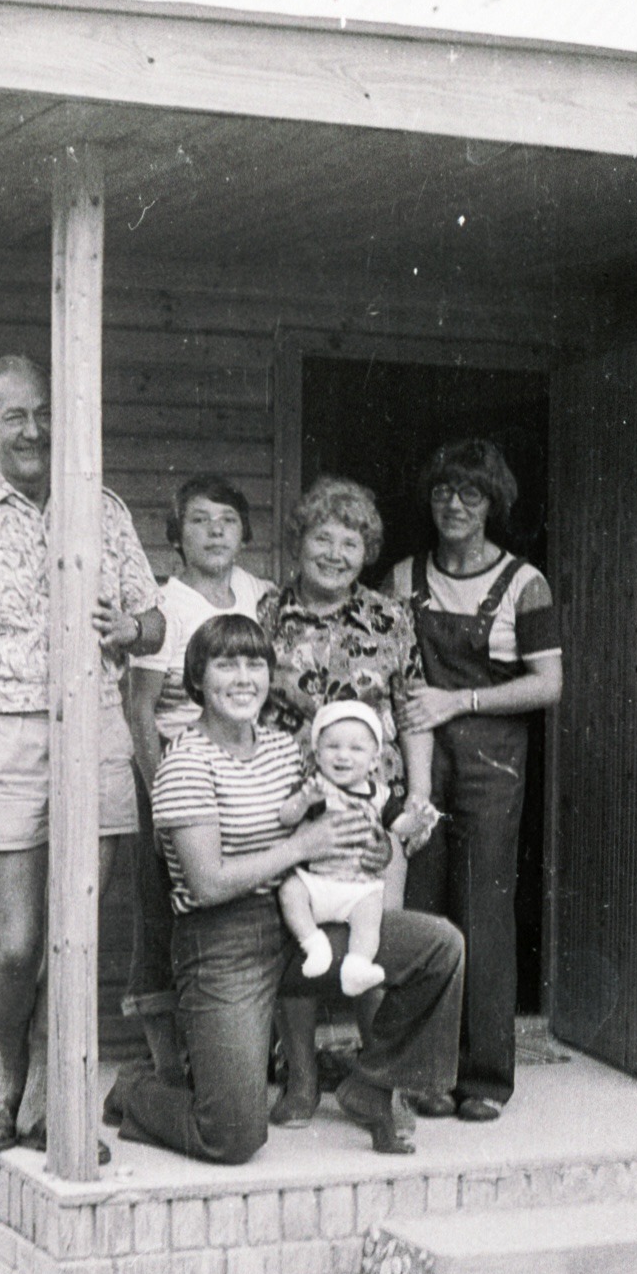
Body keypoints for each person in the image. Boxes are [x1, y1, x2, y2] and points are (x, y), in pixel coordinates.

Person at [0, 354, 164, 1156]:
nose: (33, 429)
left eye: (42, 412)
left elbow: (152, 624)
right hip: (6, 732)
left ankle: (58, 1106)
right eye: (15, 416)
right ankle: (9, 1080)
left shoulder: (101, 508)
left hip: (94, 727)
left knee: (80, 933)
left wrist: (129, 630)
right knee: (19, 940)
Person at [114, 614, 464, 1163]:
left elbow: (335, 811)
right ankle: (135, 1092)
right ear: (197, 679)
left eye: (255, 663)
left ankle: (372, 1086)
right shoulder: (184, 762)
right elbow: (206, 884)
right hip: (222, 942)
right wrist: (301, 849)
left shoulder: (285, 749)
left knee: (439, 947)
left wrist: (376, 847)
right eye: (225, 663)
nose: (243, 677)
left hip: (300, 925)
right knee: (231, 1135)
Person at [386, 438, 562, 1123]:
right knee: (423, 912)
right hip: (420, 758)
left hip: (491, 760)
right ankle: (425, 1070)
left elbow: (547, 683)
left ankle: (484, 1075)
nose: (453, 504)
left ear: (492, 503)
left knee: (482, 909)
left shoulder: (525, 582)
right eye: (442, 491)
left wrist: (457, 700)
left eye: (470, 493)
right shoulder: (402, 576)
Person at [257, 476, 436, 1124]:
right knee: (296, 937)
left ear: (367, 552)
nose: (334, 552)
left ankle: (377, 1081)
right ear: (299, 542)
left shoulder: (390, 616)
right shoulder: (269, 613)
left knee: (378, 935)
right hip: (296, 804)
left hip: (371, 806)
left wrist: (416, 796)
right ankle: (301, 1081)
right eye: (322, 537)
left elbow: (412, 712)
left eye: (350, 541)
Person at [119, 475, 274, 1097]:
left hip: (247, 771)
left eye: (228, 520)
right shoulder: (166, 607)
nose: (215, 532)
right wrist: (165, 808)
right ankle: (166, 1066)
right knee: (163, 919)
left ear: (244, 532)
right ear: (177, 534)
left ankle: (246, 1052)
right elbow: (140, 712)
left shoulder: (260, 595)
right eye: (200, 521)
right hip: (178, 775)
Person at [277, 701, 441, 994]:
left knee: (370, 915)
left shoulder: (380, 795)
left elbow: (400, 826)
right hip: (317, 882)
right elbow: (286, 817)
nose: (343, 756)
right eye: (332, 747)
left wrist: (418, 820)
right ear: (316, 752)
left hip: (358, 887)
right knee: (290, 891)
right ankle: (314, 943)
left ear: (375, 760)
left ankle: (357, 965)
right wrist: (303, 800)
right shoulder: (315, 788)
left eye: (356, 749)